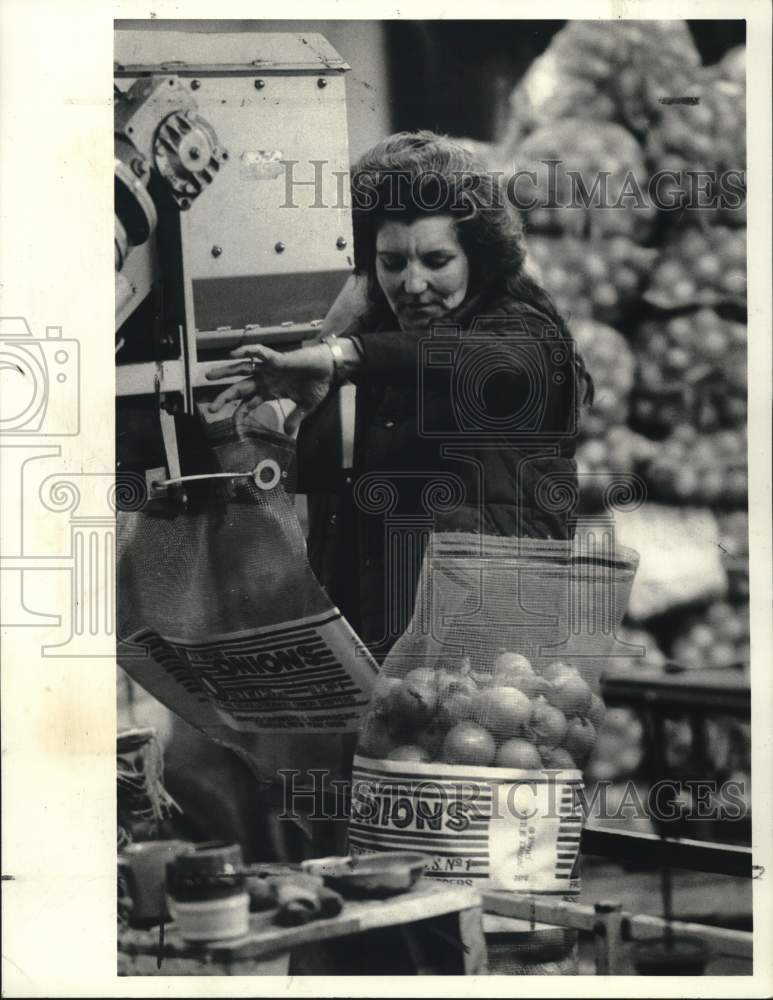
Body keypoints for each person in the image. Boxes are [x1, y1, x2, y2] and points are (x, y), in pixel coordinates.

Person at [208, 130, 593, 661]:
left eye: (436, 262)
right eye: (392, 264)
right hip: (384, 656)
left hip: (489, 663)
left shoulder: (523, 334)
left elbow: (477, 360)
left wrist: (344, 357)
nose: (412, 285)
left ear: (478, 258)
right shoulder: (373, 345)